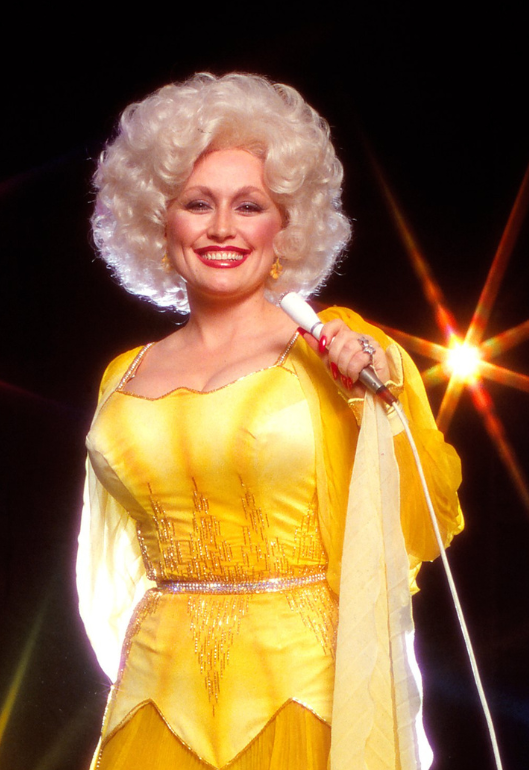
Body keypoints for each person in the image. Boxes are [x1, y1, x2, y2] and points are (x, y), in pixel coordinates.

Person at [76, 73, 463, 770]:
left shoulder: (332, 349)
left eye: (249, 205)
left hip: (303, 700)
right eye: (198, 204)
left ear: (285, 223)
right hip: (154, 701)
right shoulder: (121, 375)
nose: (222, 228)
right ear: (159, 221)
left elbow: (420, 508)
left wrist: (381, 387)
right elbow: (105, 562)